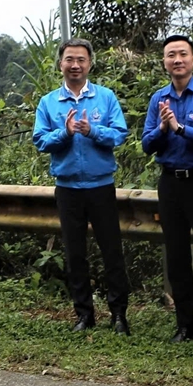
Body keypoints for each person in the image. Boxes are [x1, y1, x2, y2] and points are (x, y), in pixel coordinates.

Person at [33, 39, 131, 334]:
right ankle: (84, 315)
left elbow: (119, 134)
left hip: (101, 186)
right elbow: (40, 140)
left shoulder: (105, 97)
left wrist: (93, 131)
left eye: (81, 60)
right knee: (75, 254)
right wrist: (64, 133)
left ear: (90, 63)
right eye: (69, 59)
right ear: (60, 63)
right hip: (68, 189)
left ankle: (119, 315)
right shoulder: (49, 102)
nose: (75, 65)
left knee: (112, 251)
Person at [140, 34, 193, 346]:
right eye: (170, 55)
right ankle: (185, 326)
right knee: (176, 257)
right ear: (164, 62)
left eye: (182, 54)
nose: (177, 60)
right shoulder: (158, 99)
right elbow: (146, 143)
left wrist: (179, 128)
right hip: (170, 183)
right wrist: (163, 129)